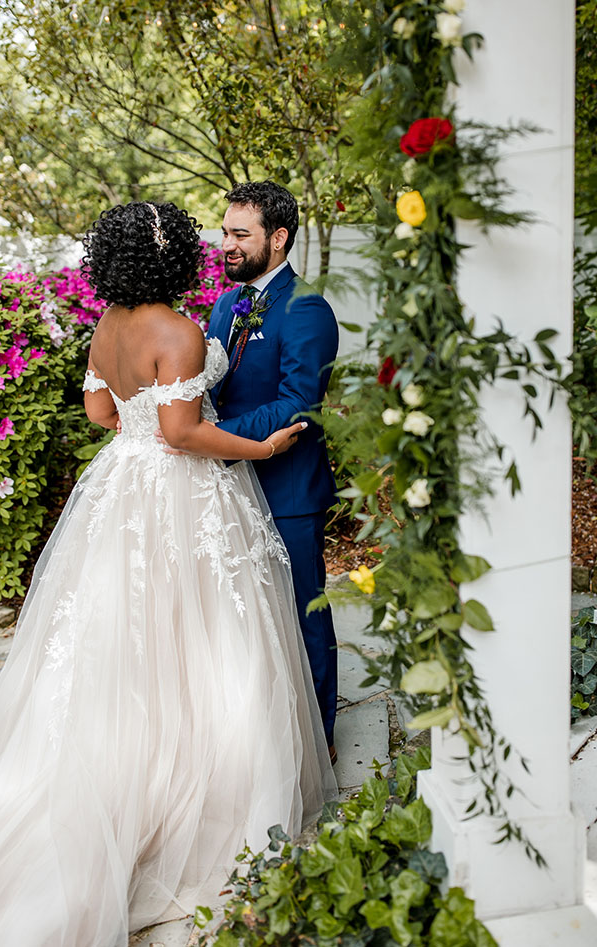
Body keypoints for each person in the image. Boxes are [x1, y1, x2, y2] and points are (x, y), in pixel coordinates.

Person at [0, 201, 337, 946]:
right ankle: (195, 786)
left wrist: (144, 422)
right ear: (170, 259)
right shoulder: (182, 330)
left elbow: (103, 413)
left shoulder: (106, 327)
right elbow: (182, 432)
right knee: (203, 636)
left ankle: (125, 768)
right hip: (185, 488)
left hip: (120, 488)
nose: (217, 248)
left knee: (129, 635)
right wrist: (260, 452)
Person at [207, 181, 340, 762]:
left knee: (301, 613)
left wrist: (215, 440)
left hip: (287, 490)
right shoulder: (224, 303)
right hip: (228, 486)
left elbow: (298, 403)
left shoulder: (306, 308)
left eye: (241, 234)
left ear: (278, 238)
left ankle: (318, 742)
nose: (227, 244)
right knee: (245, 614)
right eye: (226, 231)